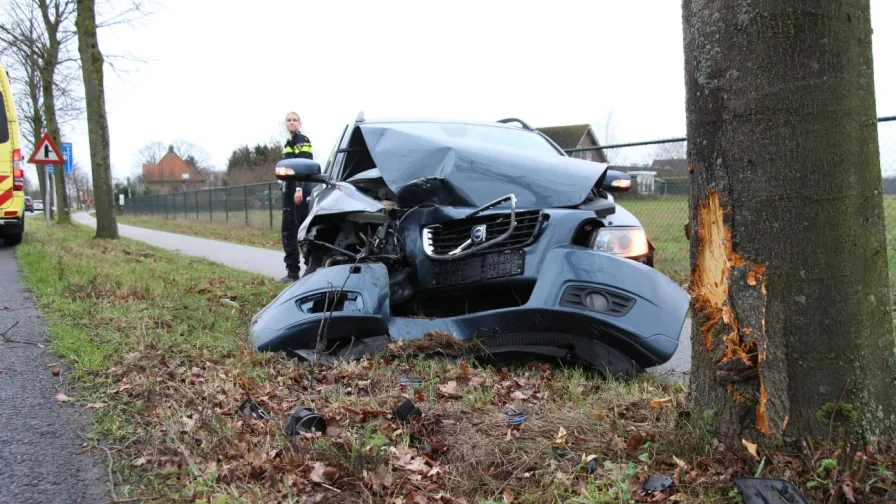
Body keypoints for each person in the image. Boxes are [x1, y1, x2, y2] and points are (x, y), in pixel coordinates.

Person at [279, 111, 313, 283]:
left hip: (300, 192)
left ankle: (311, 270)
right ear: (285, 123)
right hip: (288, 193)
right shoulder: (288, 143)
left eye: (295, 120)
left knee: (302, 232)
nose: (291, 123)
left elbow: (304, 165)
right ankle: (292, 272)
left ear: (300, 123)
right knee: (287, 232)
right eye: (289, 120)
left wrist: (299, 188)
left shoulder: (302, 141)